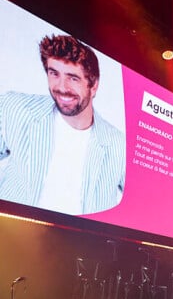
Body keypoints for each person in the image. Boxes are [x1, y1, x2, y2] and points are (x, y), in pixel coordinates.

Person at [0, 34, 125, 215]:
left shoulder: (118, 145)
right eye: (54, 73)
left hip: (82, 243)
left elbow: (143, 202)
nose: (61, 87)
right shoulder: (16, 108)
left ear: (94, 85)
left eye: (73, 78)